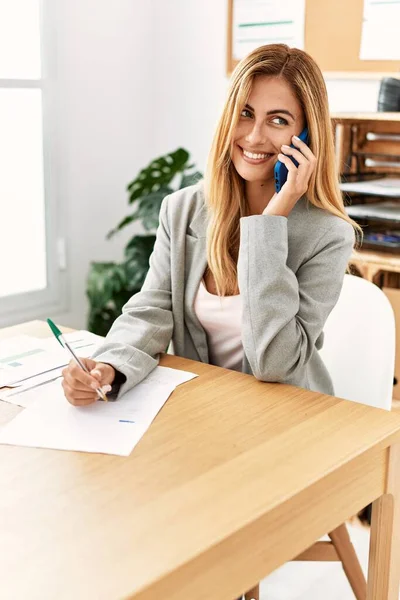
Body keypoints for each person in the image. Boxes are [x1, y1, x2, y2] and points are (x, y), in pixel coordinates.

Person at [61, 43, 360, 406]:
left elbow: (275, 363)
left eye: (278, 120)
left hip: (285, 416)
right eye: (245, 113)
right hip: (205, 407)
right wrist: (111, 365)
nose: (253, 137)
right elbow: (152, 309)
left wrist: (273, 220)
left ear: (308, 137)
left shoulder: (327, 235)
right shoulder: (183, 208)